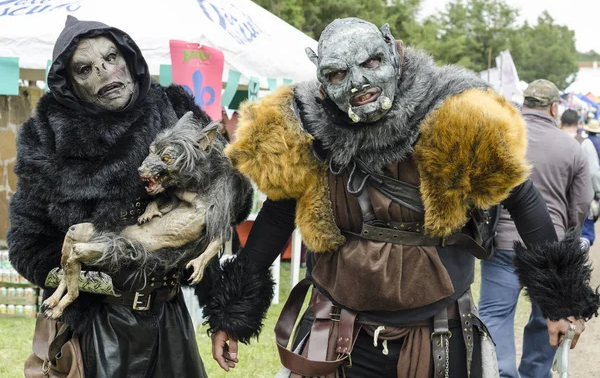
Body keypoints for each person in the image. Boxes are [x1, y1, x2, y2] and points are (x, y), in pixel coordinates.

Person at [199, 19, 599, 378]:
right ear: (322, 83)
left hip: (439, 332)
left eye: (370, 64)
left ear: (393, 51)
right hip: (336, 327)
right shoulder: (306, 126)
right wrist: (232, 314)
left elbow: (524, 200)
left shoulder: (454, 112)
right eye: (338, 73)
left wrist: (560, 301)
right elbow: (277, 215)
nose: (357, 83)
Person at [7, 15, 256, 377]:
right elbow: (26, 246)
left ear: (129, 57)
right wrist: (108, 268)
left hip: (171, 319)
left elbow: (226, 200)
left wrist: (222, 316)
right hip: (97, 326)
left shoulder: (173, 107)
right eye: (85, 68)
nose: (105, 73)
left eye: (111, 58)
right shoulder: (45, 136)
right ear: (68, 82)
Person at [479, 81, 593, 378]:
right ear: (554, 108)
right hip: (550, 247)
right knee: (546, 317)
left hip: (502, 245)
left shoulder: (503, 138)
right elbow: (580, 205)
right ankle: (534, 374)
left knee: (496, 314)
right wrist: (568, 245)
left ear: (523, 104)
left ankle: (500, 372)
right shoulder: (573, 147)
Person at [561, 108, 600, 248]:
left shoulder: (553, 140)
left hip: (556, 199)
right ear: (578, 123)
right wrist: (597, 193)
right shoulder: (585, 143)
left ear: (561, 122)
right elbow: (594, 173)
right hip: (579, 198)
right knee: (584, 235)